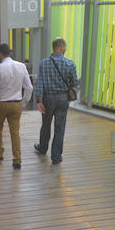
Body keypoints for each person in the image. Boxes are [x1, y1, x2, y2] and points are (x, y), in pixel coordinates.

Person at [34, 37, 79, 165]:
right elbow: (75, 83)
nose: (65, 49)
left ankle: (43, 148)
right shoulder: (70, 64)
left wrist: (38, 100)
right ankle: (56, 157)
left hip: (48, 98)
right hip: (63, 98)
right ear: (61, 47)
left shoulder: (43, 63)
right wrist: (68, 97)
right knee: (60, 128)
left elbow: (40, 83)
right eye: (65, 47)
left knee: (46, 125)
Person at [0, 43, 33, 169]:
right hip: (16, 104)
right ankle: (17, 159)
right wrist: (23, 103)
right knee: (15, 133)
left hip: (1, 104)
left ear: (0, 54)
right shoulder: (22, 66)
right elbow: (29, 87)